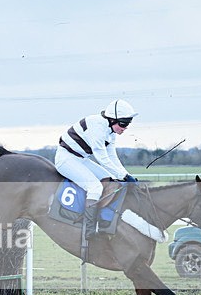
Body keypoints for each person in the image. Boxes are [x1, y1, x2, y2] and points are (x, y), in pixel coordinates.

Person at [55, 99, 139, 240]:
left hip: (81, 159)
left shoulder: (110, 131)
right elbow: (102, 159)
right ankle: (88, 228)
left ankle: (102, 220)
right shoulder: (98, 128)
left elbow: (112, 156)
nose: (125, 128)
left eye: (128, 124)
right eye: (123, 124)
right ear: (112, 119)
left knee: (111, 181)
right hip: (66, 159)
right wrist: (123, 176)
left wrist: (126, 175)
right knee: (95, 187)